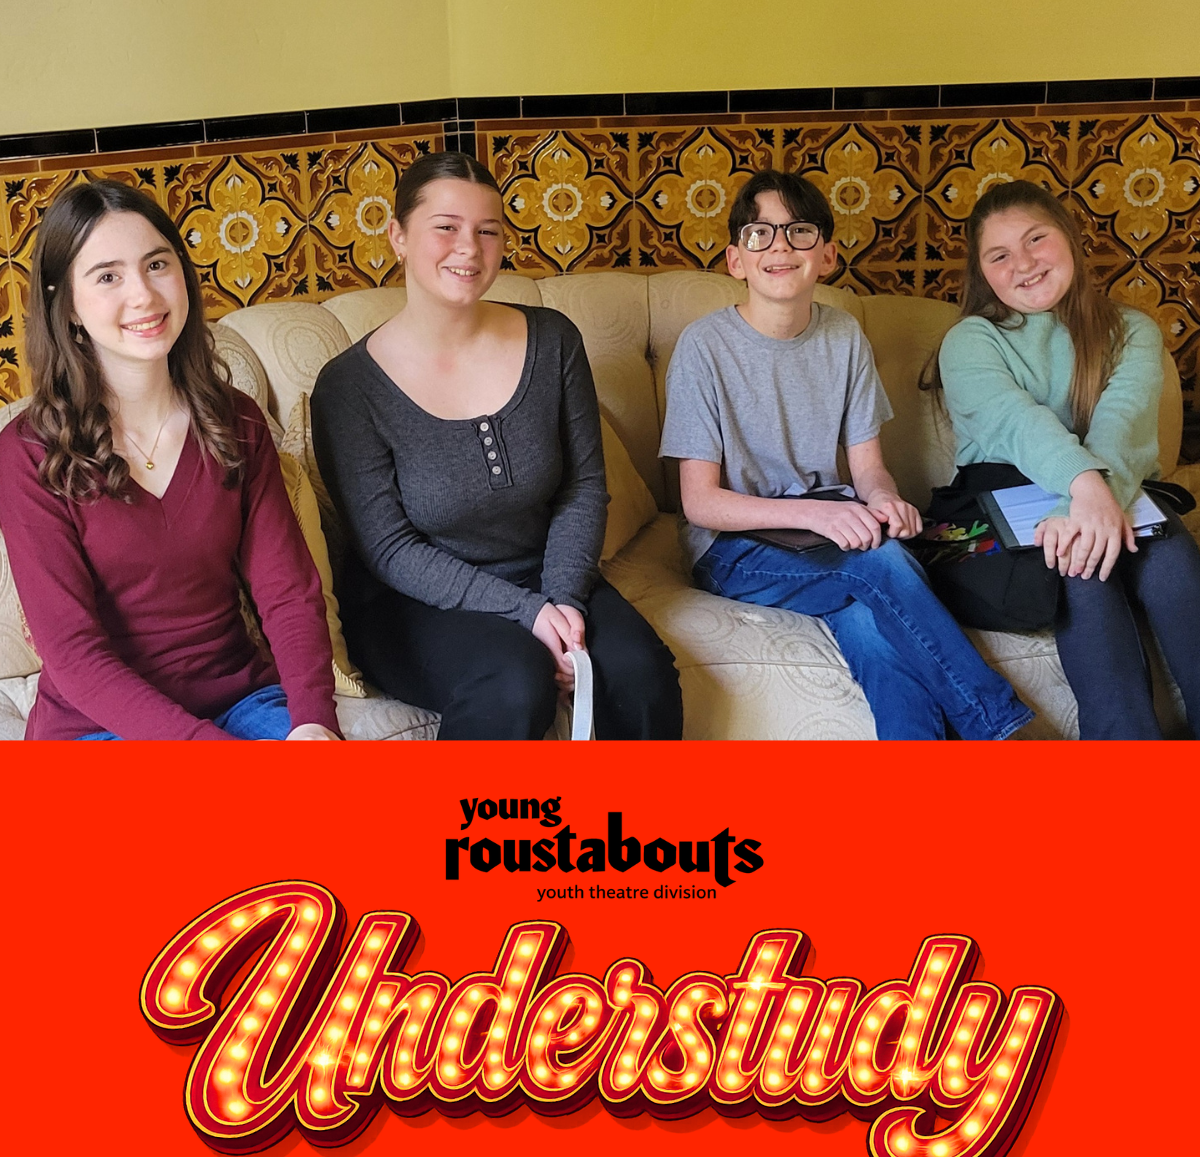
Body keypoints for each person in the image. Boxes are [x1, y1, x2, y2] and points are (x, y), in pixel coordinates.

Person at [310, 153, 682, 740]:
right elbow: (389, 548)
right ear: (398, 236)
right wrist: (529, 615)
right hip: (412, 599)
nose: (470, 248)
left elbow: (583, 487)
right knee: (514, 681)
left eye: (488, 231)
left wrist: (562, 603)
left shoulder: (554, 340)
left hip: (548, 571)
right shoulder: (348, 387)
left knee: (638, 675)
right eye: (447, 227)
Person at [659, 169, 1033, 740]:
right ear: (737, 259)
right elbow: (700, 502)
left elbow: (867, 467)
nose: (780, 246)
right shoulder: (703, 347)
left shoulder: (845, 337)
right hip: (732, 550)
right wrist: (817, 513)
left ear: (827, 255)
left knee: (872, 629)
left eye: (799, 232)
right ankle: (995, 723)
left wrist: (886, 500)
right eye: (760, 233)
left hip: (828, 532)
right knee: (881, 564)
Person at [0, 180, 340, 741]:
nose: (144, 295)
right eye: (108, 276)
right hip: (98, 727)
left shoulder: (237, 420)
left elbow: (288, 592)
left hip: (242, 700)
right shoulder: (28, 453)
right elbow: (74, 655)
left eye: (157, 264)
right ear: (69, 306)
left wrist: (312, 724)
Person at [933, 179, 1200, 739]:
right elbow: (1017, 422)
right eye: (1000, 255)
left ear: (1071, 240)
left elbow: (1121, 424)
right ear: (983, 273)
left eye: (1037, 239)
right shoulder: (971, 339)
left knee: (1174, 564)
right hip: (1000, 495)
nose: (1024, 263)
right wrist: (1082, 492)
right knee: (1082, 570)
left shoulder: (1132, 330)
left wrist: (1091, 496)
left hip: (1116, 483)